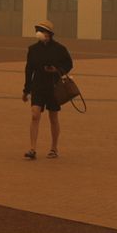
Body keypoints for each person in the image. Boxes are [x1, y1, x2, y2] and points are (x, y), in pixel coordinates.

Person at [23, 22, 72, 159]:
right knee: (35, 115)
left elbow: (69, 64)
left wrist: (56, 69)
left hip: (53, 86)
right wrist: (26, 89)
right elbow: (29, 69)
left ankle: (54, 148)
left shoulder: (59, 49)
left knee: (53, 117)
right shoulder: (33, 49)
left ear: (49, 34)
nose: (40, 33)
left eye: (43, 31)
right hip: (38, 86)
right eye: (39, 31)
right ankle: (32, 149)